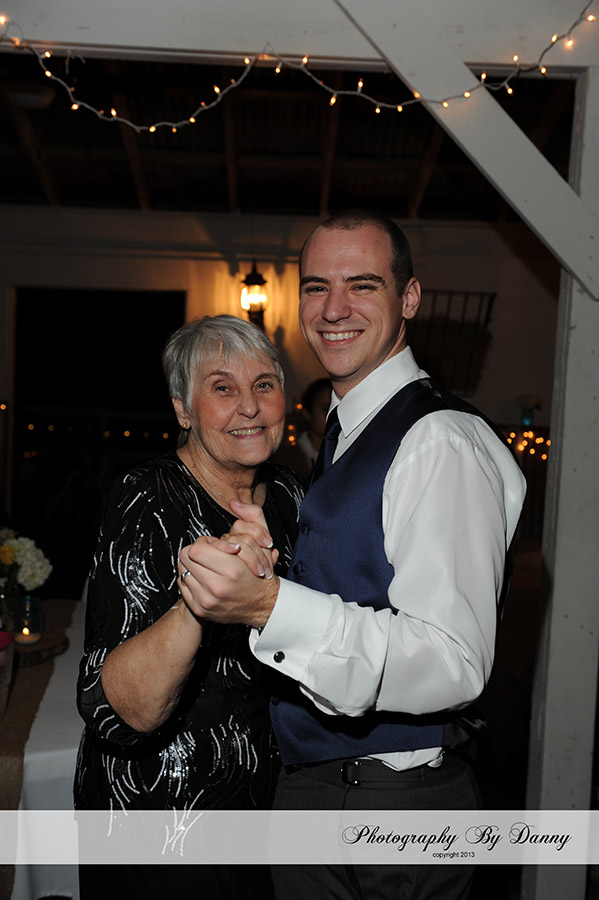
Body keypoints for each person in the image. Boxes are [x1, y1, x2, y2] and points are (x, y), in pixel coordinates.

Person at [176, 210, 527, 899]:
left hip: (390, 805)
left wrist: (272, 605)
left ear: (409, 298)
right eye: (316, 287)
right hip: (327, 790)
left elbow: (452, 661)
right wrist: (274, 568)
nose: (333, 309)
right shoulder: (349, 428)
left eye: (361, 285)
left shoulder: (437, 440)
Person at [74, 314, 304, 900]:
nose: (249, 406)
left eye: (264, 384)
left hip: (266, 805)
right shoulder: (148, 498)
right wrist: (202, 600)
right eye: (222, 388)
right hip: (159, 818)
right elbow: (120, 709)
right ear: (183, 409)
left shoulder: (291, 496)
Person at [272, 377, 332, 483]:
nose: (331, 415)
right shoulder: (286, 461)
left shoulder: (345, 455)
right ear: (307, 413)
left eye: (336, 408)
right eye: (325, 409)